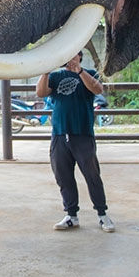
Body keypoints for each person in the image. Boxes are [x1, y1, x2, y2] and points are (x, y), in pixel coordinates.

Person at [36, 51, 114, 233]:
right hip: (60, 134)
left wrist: (79, 71)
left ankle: (102, 214)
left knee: (92, 175)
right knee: (63, 176)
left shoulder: (90, 74)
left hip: (82, 133)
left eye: (74, 55)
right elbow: (41, 92)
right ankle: (71, 215)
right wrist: (45, 71)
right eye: (67, 56)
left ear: (79, 56)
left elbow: (98, 89)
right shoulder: (55, 76)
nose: (70, 59)